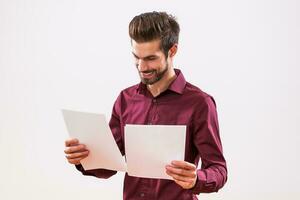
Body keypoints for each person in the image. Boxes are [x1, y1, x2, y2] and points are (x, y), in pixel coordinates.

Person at [64, 11, 227, 200]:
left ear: (172, 51)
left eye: (150, 58)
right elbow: (109, 166)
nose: (141, 67)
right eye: (136, 57)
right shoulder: (125, 100)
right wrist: (84, 158)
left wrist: (196, 179)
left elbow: (219, 170)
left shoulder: (199, 103)